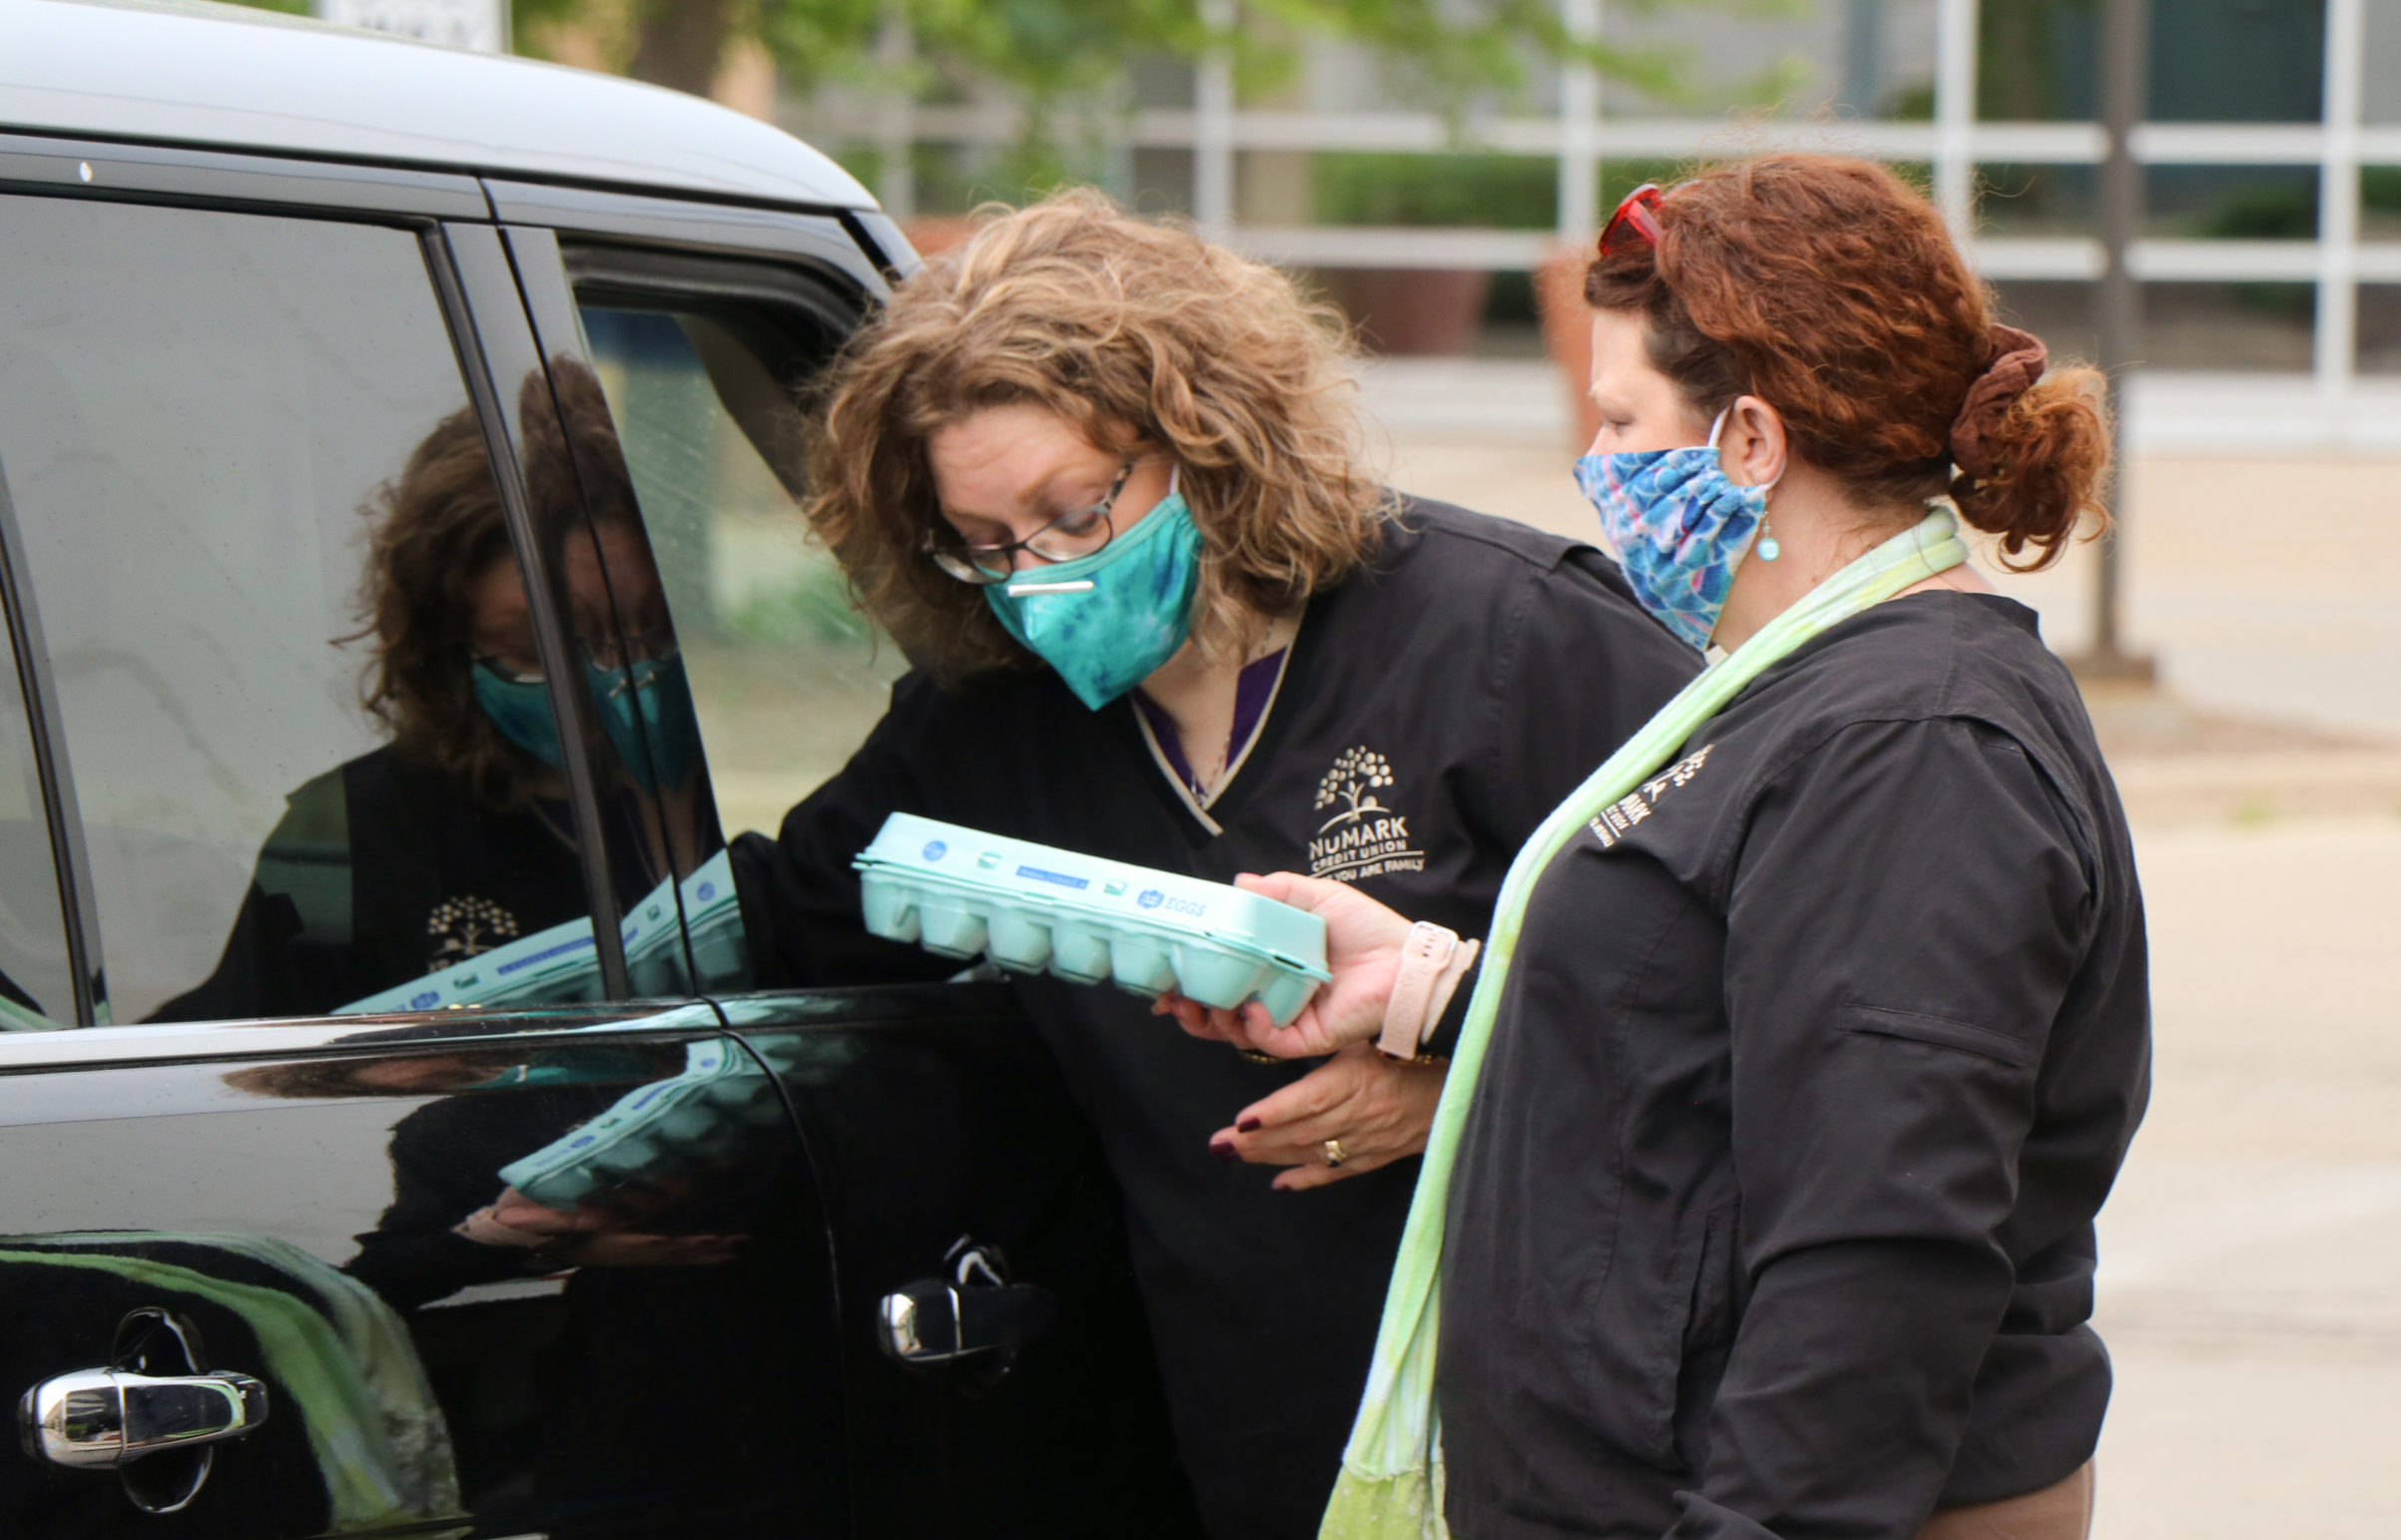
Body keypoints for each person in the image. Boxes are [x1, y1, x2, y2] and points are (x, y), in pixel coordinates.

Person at [1168, 156, 2151, 1540]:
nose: (1601, 466)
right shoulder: (1813, 689)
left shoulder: (1913, 742)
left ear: (1751, 440)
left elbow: (1876, 1248)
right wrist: (1427, 986)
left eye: (1625, 418)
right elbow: (1719, 1043)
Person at [730, 188, 1698, 1539]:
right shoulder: (985, 729)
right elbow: (769, 921)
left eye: (1077, 511)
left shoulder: (1514, 635)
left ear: (1206, 437)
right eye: (992, 545)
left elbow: (1757, 998)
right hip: (1258, 1444)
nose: (1044, 575)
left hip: (1571, 1440)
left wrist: (1464, 1078)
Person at [159, 364, 708, 1020]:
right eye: (539, 651)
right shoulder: (343, 837)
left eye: (649, 628)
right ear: (444, 637)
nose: (612, 676)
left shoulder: (727, 804)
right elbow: (243, 1073)